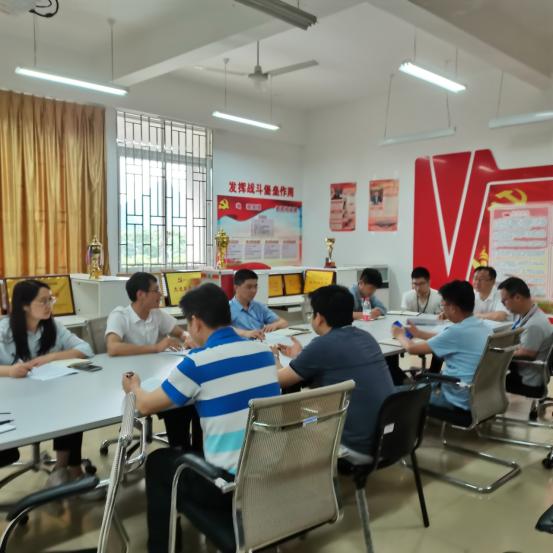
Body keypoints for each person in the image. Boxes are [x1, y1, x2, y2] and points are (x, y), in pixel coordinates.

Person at [121, 283, 279, 553]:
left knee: (158, 462)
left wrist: (133, 386)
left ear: (195, 322)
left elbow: (145, 406)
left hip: (228, 486)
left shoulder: (197, 364)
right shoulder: (263, 352)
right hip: (271, 475)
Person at [274, 284, 394, 463]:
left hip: (358, 448)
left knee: (298, 427)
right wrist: (301, 356)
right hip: (392, 441)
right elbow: (335, 360)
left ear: (319, 318)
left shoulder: (322, 345)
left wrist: (274, 358)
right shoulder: (365, 337)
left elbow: (278, 380)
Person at [0, 279, 93, 486]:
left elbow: (86, 349)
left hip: (48, 395)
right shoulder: (3, 330)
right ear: (25, 305)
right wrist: (10, 371)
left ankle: (65, 468)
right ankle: (69, 470)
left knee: (72, 407)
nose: (49, 305)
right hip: (11, 401)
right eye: (43, 301)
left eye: (51, 299)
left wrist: (50, 357)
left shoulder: (53, 326)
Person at [105, 272, 198, 450]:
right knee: (175, 403)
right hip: (130, 380)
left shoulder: (156, 314)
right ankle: (179, 452)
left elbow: (179, 332)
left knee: (182, 400)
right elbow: (113, 347)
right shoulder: (120, 315)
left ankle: (185, 450)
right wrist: (155, 348)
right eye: (156, 290)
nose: (160, 295)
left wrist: (188, 338)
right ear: (141, 294)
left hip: (153, 376)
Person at [392, 280, 488, 411]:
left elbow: (412, 349)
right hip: (480, 397)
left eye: (443, 305)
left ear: (453, 308)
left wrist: (399, 335)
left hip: (457, 399)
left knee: (393, 394)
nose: (443, 310)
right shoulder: (483, 326)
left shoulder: (456, 332)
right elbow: (445, 339)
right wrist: (419, 333)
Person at [498, 277, 553, 387]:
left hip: (527, 380)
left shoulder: (534, 324)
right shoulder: (528, 314)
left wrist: (499, 354)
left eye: (504, 301)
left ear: (517, 297)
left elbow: (526, 354)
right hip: (524, 371)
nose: (503, 304)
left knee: (484, 379)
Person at [229, 269, 288, 340]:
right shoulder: (227, 308)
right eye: (249, 287)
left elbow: (284, 323)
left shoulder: (259, 306)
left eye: (255, 286)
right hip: (240, 345)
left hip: (261, 343)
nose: (254, 291)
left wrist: (275, 325)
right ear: (236, 288)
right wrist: (246, 333)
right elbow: (221, 329)